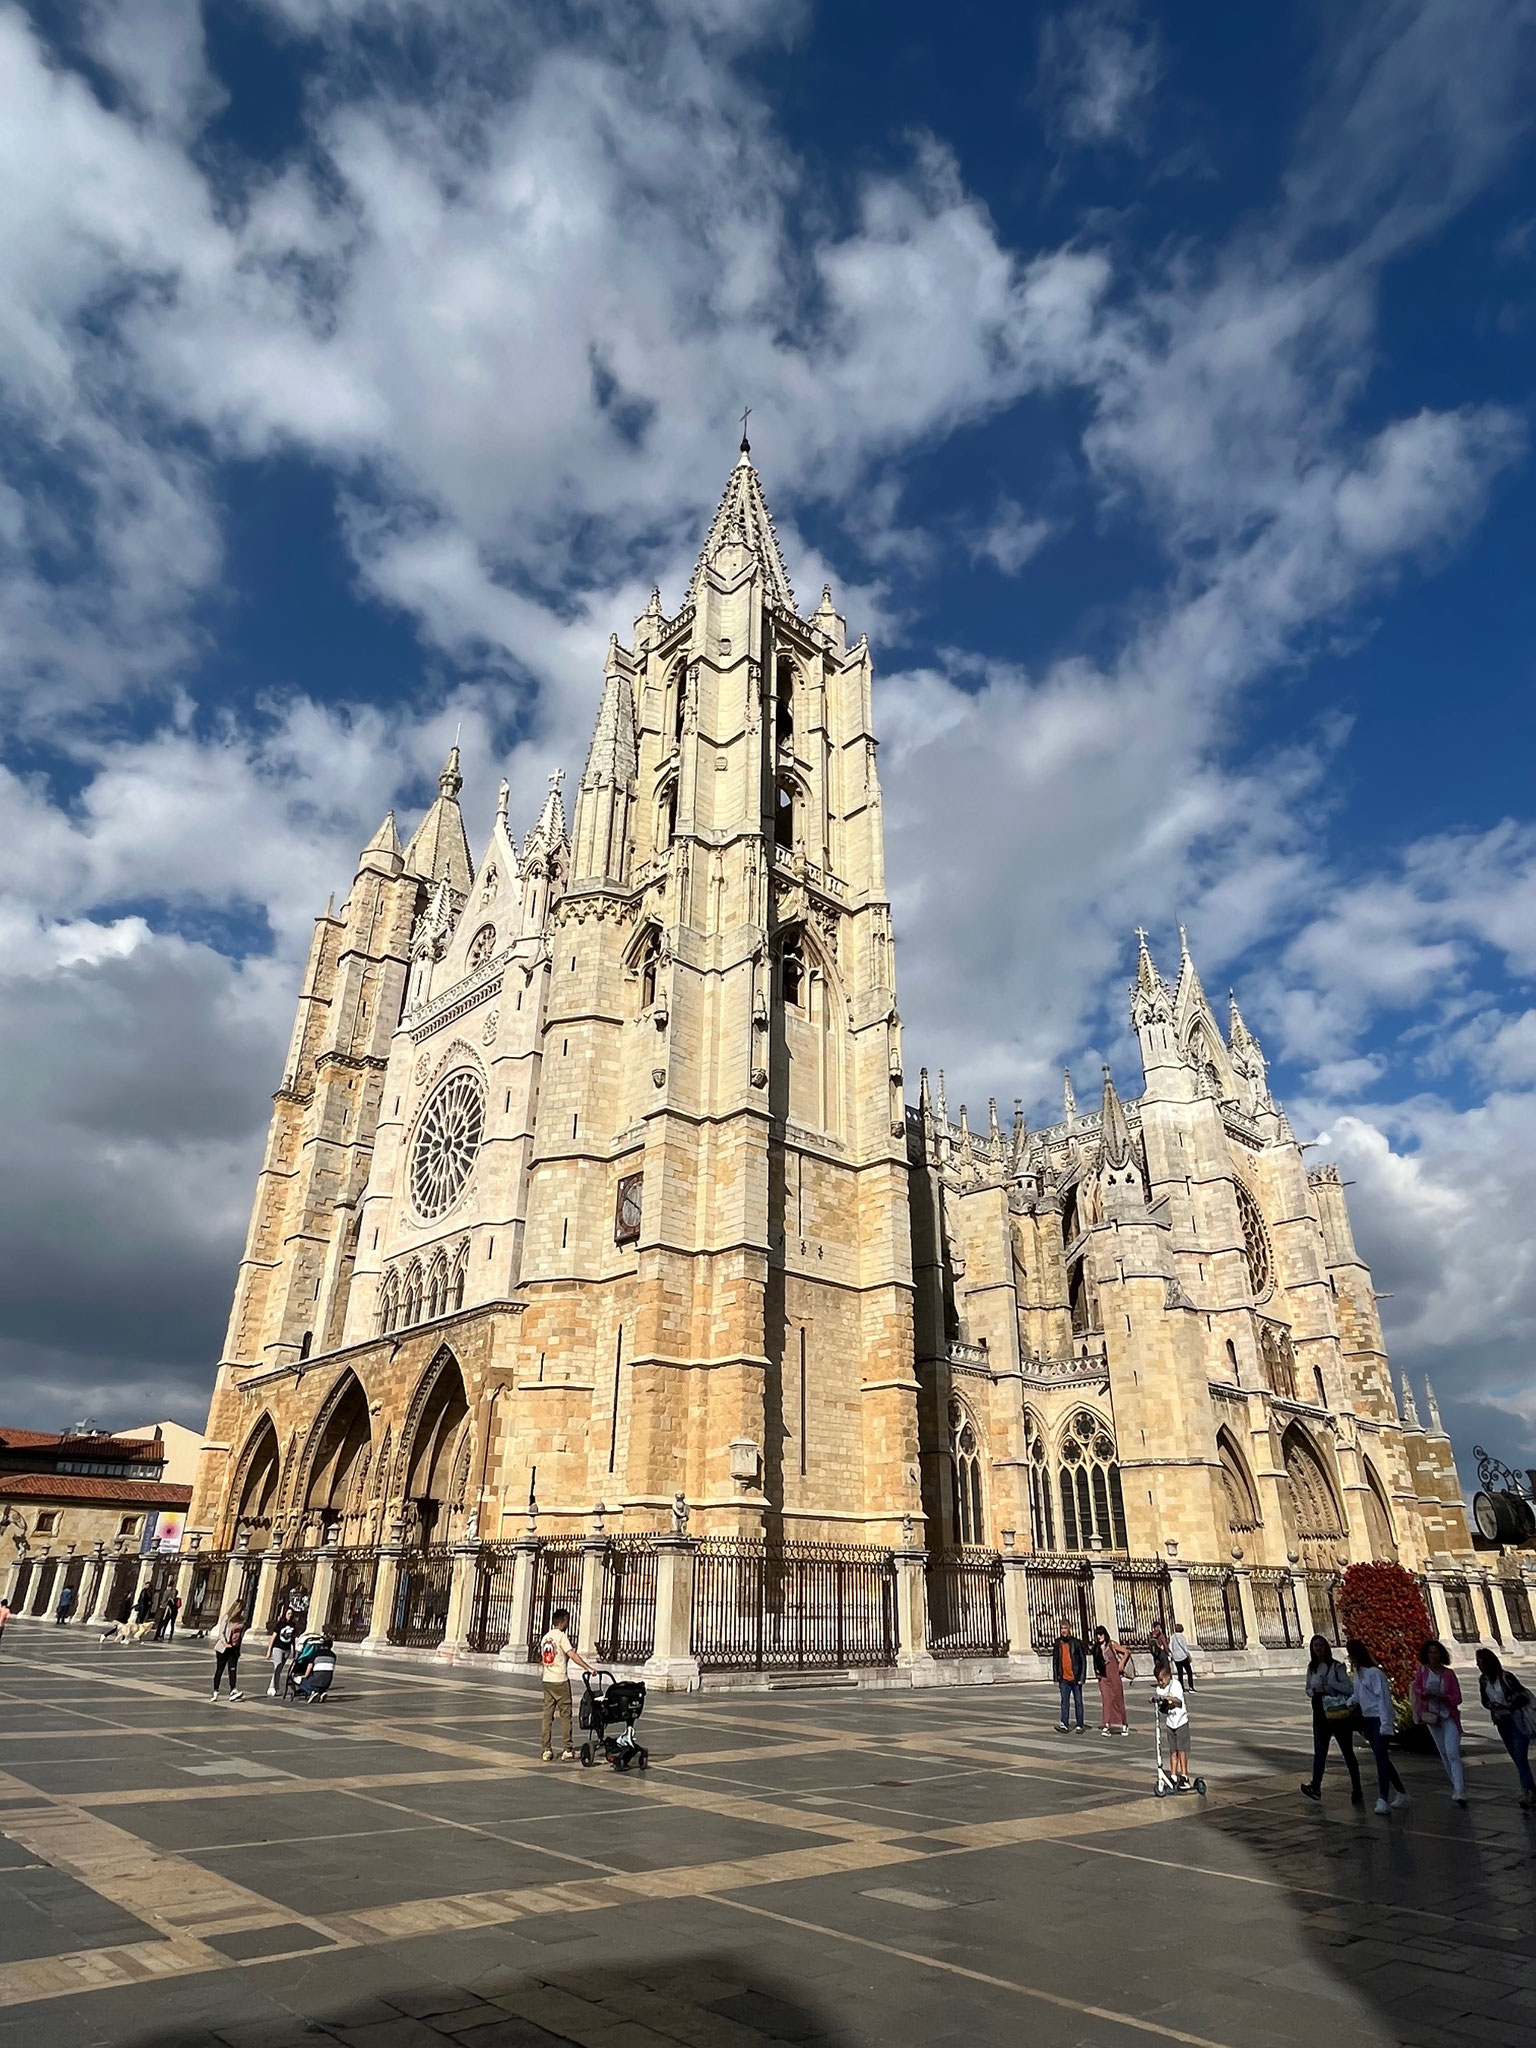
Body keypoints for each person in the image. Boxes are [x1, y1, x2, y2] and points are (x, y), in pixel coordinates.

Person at [1299, 1634, 1363, 1806]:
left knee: (1347, 1752)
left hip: (1338, 1715)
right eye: (1315, 1646)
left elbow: (1349, 1689)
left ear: (1327, 1647)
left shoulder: (1336, 1667)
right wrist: (1315, 1689)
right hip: (1320, 1713)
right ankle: (1316, 1786)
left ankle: (1357, 1789)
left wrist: (1330, 1685)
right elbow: (1307, 1689)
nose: (1318, 1648)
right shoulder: (1311, 1668)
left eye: (1321, 1645)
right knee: (1320, 1752)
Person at [1347, 1638, 1407, 1815]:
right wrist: (1347, 1703)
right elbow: (1358, 1695)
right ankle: (1401, 1792)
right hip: (1367, 1719)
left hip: (1379, 1719)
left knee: (1380, 1757)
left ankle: (1383, 1797)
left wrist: (1386, 1724)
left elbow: (1383, 1699)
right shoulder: (1359, 1674)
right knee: (1382, 1758)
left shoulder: (1375, 1674)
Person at [1474, 1647, 1535, 1809]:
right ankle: (1530, 1789)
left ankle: (1528, 1791)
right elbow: (1484, 1700)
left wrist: (1509, 1705)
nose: (1478, 1665)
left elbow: (1522, 1696)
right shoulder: (1483, 1680)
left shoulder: (1507, 1677)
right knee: (1516, 1757)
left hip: (1516, 1720)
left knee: (1520, 1756)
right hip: (1501, 1722)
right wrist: (1492, 1705)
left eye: (1480, 1661)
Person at [1410, 1639, 1466, 1806]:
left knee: (1452, 1752)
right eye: (1429, 1652)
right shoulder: (1422, 1671)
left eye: (1435, 1652)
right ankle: (1455, 1785)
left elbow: (1457, 1697)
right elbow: (1417, 1689)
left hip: (1448, 1716)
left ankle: (1460, 1789)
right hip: (1432, 1717)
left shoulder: (1448, 1674)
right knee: (1443, 1753)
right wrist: (1425, 1693)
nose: (1432, 1655)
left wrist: (1444, 1697)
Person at [538, 1605, 594, 1761]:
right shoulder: (561, 1637)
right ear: (563, 1622)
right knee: (565, 1715)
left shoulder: (545, 1637)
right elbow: (572, 1654)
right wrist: (588, 1668)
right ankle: (567, 1749)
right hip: (560, 1680)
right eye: (567, 1621)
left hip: (547, 1680)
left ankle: (546, 1749)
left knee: (547, 1716)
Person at [1153, 1657, 1191, 1784]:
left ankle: (1184, 1775)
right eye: (1158, 1680)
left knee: (1182, 1750)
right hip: (1170, 1723)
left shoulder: (1176, 1685)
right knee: (1173, 1750)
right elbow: (1161, 1706)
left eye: (1161, 1679)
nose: (1160, 1682)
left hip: (1181, 1721)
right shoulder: (1159, 1689)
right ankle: (1173, 1774)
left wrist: (1168, 1698)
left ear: (1168, 1676)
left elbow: (1178, 1701)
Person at [1091, 1624, 1132, 1736]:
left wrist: (1122, 1663)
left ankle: (1123, 1724)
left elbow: (1126, 1652)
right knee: (1106, 1700)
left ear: (1105, 1634)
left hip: (1114, 1675)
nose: (1099, 1636)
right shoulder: (1096, 1648)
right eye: (1097, 1634)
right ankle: (1107, 1724)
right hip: (1103, 1677)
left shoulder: (1112, 1645)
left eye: (1101, 1634)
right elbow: (1095, 1662)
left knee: (1118, 1699)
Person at [1051, 1622, 1087, 1733]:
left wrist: (1082, 1677)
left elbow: (1082, 1660)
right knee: (1064, 1702)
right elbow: (1055, 1661)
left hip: (1075, 1678)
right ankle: (1064, 1723)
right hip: (1063, 1678)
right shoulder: (1058, 1643)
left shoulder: (1076, 1643)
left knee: (1078, 1702)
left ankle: (1079, 1724)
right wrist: (1056, 1677)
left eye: (1065, 1628)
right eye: (1062, 1628)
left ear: (1069, 1629)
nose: (1063, 1630)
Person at [210, 1606, 246, 1703]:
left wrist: (238, 1648)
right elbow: (221, 1633)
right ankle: (215, 1691)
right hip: (224, 1648)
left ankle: (233, 1690)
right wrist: (225, 1643)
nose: (243, 1612)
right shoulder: (227, 1618)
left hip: (234, 1648)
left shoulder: (242, 1620)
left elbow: (240, 1635)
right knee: (220, 1669)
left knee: (233, 1669)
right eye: (242, 1610)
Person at [266, 1611, 301, 1697]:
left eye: (291, 1614)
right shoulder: (279, 1625)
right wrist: (269, 1651)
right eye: (288, 1613)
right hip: (278, 1648)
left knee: (279, 1669)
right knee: (277, 1667)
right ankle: (272, 1687)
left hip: (287, 1649)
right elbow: (273, 1637)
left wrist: (294, 1650)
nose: (290, 1615)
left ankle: (275, 1687)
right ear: (285, 1614)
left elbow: (292, 1639)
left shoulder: (293, 1626)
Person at [1168, 1624, 1194, 1693]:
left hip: (1176, 1657)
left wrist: (1172, 1654)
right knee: (1189, 1672)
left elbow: (1170, 1646)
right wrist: (1188, 1654)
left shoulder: (1172, 1637)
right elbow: (1184, 1647)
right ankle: (1191, 1687)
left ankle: (1181, 1687)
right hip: (1183, 1656)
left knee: (1180, 1673)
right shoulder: (1182, 1637)